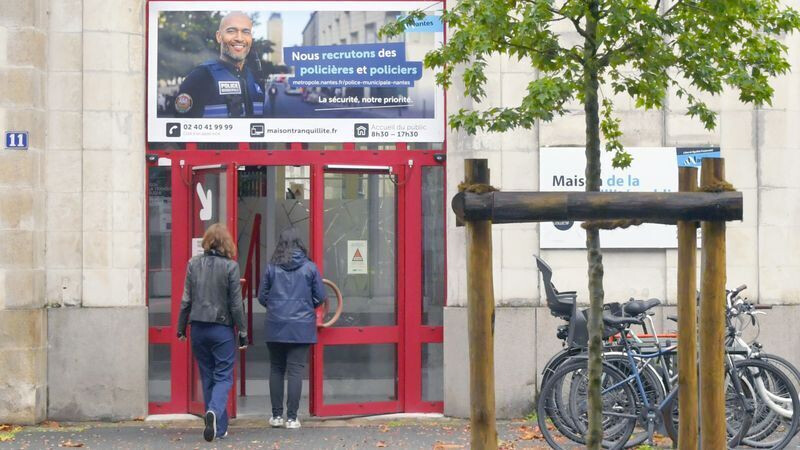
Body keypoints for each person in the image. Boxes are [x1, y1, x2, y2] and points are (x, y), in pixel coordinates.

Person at [177, 223, 247, 442]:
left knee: (208, 376)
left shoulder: (193, 264)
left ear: (207, 242)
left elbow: (186, 299)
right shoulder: (231, 267)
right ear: (227, 243)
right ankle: (214, 413)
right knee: (224, 376)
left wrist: (181, 327)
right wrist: (243, 330)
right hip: (221, 329)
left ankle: (219, 427)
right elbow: (236, 304)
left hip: (198, 328)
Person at [258, 228, 326, 429]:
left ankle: (276, 416)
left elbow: (262, 297)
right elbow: (320, 296)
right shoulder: (310, 268)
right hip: (301, 327)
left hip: (275, 326)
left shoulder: (271, 268)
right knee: (296, 371)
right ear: (299, 243)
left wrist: (276, 307)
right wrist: (306, 307)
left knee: (277, 369)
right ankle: (292, 418)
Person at [173, 11, 265, 118]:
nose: (240, 38)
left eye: (246, 32)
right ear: (219, 36)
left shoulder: (256, 78)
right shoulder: (201, 76)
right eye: (231, 31)